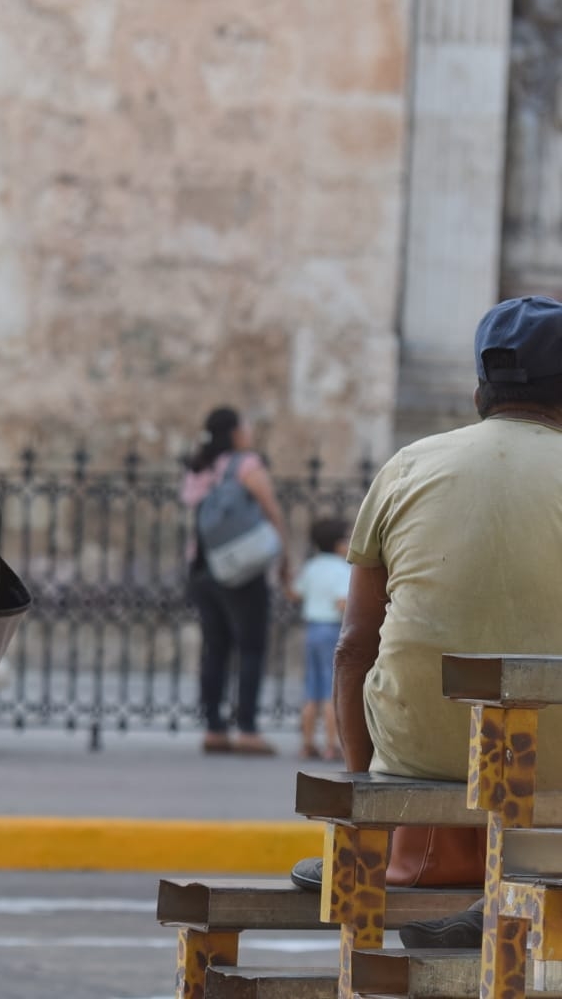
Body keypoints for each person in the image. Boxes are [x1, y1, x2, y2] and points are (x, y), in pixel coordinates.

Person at [290, 295, 562, 949]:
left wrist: (363, 804)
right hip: (552, 761)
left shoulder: (407, 467)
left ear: (478, 391)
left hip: (422, 758)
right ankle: (533, 880)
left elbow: (354, 646)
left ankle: (405, 859)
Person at [180, 406, 291, 755]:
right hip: (242, 570)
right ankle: (246, 729)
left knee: (215, 648)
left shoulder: (198, 468)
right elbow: (272, 510)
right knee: (252, 647)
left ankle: (213, 728)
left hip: (202, 567)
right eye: (245, 424)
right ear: (234, 432)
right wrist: (285, 557)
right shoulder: (246, 465)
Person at [287, 518, 350, 761]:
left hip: (311, 629)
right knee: (331, 690)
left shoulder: (311, 567)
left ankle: (307, 742)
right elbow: (342, 602)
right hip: (332, 629)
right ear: (337, 545)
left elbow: (294, 593)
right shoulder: (342, 569)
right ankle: (332, 745)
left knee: (311, 690)